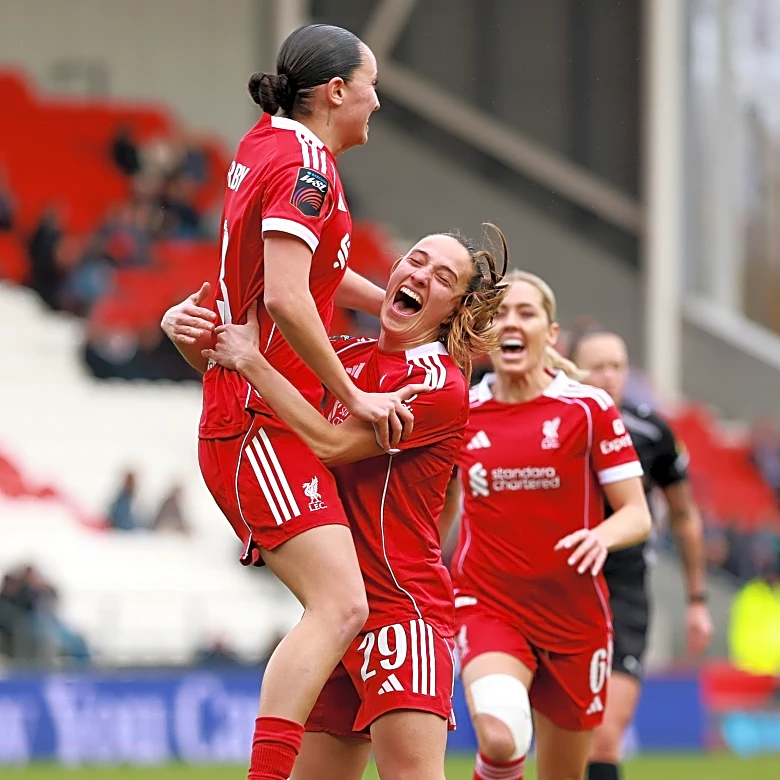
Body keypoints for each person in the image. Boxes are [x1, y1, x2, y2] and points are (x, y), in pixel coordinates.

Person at [160, 25, 416, 780]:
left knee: (343, 607)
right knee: (341, 605)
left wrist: (404, 303)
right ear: (336, 91)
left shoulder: (266, 145)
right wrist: (356, 393)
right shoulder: (308, 165)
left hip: (255, 416)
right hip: (256, 424)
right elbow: (287, 297)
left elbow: (317, 278)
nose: (377, 97)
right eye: (370, 82)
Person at [201, 229, 508, 780]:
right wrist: (189, 334)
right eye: (415, 261)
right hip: (338, 610)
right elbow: (246, 364)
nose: (419, 275)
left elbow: (330, 444)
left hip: (399, 609)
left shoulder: (436, 381)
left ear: (454, 310)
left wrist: (252, 361)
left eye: (441, 277)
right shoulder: (346, 357)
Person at [440, 271, 653, 780]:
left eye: (526, 312)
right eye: (500, 313)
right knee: (501, 737)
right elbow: (441, 506)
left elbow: (637, 513)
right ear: (484, 330)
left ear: (550, 334)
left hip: (574, 616)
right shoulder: (459, 409)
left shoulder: (589, 407)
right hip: (489, 604)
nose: (512, 322)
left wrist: (601, 536)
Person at [569, 329, 713, 780]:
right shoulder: (548, 425)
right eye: (597, 365)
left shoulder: (651, 429)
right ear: (571, 367)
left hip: (624, 592)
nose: (610, 375)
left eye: (618, 365)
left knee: (604, 737)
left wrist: (696, 600)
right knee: (561, 743)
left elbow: (685, 516)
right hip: (558, 590)